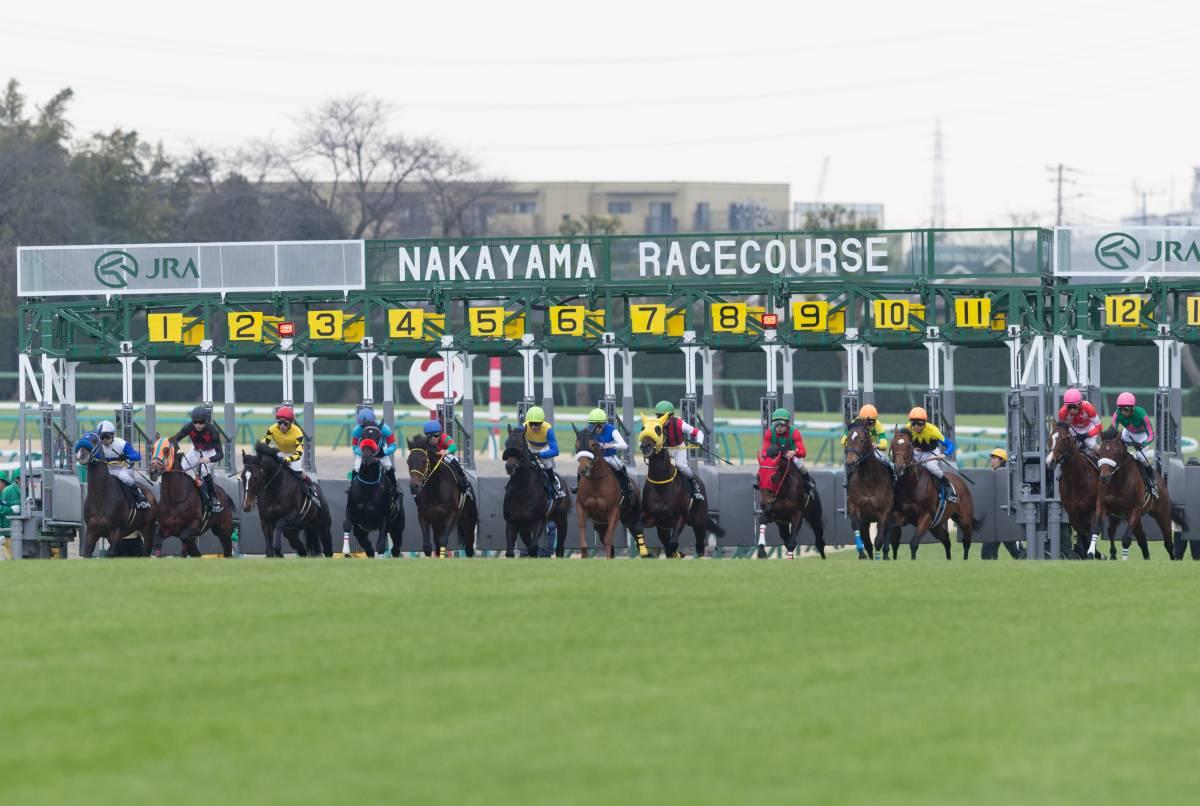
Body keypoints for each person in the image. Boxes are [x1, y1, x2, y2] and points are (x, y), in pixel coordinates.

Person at [76, 421, 151, 509]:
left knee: (124, 478)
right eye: (102, 437)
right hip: (107, 470)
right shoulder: (98, 446)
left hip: (121, 469)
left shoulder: (121, 444)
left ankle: (139, 496)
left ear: (113, 435)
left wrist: (127, 456)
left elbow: (137, 456)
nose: (104, 440)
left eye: (107, 437)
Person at [259, 406, 321, 505]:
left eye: (285, 423)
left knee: (297, 471)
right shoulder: (272, 429)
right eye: (279, 423)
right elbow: (264, 442)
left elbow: (299, 453)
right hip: (281, 452)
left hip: (294, 454)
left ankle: (311, 488)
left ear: (291, 423)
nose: (282, 426)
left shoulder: (298, 432)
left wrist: (287, 459)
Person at [167, 405, 224, 513]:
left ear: (206, 421)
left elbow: (221, 454)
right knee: (181, 468)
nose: (197, 425)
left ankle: (213, 498)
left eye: (201, 422)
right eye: (195, 422)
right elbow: (176, 439)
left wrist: (209, 459)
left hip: (209, 452)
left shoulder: (213, 431)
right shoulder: (189, 427)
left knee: (203, 471)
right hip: (195, 451)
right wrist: (169, 445)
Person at [655, 400, 706, 501]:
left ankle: (694, 484)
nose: (660, 419)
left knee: (680, 466)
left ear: (670, 417)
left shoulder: (679, 423)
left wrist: (699, 442)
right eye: (658, 416)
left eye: (663, 417)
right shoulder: (655, 424)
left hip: (679, 448)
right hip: (664, 449)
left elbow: (699, 432)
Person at [758, 408, 816, 496]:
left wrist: (794, 453)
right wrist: (773, 453)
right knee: (764, 465)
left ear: (788, 423)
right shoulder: (769, 432)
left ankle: (808, 482)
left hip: (792, 455)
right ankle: (758, 480)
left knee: (800, 465)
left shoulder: (795, 432)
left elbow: (803, 452)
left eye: (782, 424)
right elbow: (764, 452)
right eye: (776, 425)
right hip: (776, 456)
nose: (779, 427)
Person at [906, 406, 958, 504]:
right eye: (913, 423)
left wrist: (945, 454)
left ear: (924, 423)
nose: (916, 426)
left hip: (932, 453)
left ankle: (949, 488)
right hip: (917, 453)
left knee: (931, 467)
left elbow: (950, 445)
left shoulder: (933, 431)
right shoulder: (907, 428)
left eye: (919, 424)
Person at [1110, 392, 1157, 498]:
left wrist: (1143, 443)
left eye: (1125, 409)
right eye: (1120, 409)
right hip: (1127, 433)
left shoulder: (1141, 414)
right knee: (1117, 452)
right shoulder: (1117, 414)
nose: (1123, 412)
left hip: (1142, 436)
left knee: (1140, 456)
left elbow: (1151, 434)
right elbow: (1112, 430)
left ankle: (1151, 474)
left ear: (1132, 408)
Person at [981, 448, 1024, 560]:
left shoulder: (1010, 476)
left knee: (1018, 553)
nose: (992, 461)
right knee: (987, 554)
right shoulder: (991, 475)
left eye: (995, 458)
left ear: (1002, 461)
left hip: (1007, 521)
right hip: (993, 523)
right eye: (992, 458)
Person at [582, 408, 632, 499]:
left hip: (609, 457)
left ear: (604, 424)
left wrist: (610, 445)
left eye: (599, 426)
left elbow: (625, 445)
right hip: (593, 458)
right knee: (581, 468)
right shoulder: (587, 430)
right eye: (593, 425)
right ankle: (579, 487)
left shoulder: (611, 429)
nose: (596, 429)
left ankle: (627, 487)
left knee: (620, 467)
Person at [420, 419, 473, 498]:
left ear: (440, 434)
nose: (433, 438)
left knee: (452, 459)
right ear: (426, 436)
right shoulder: (424, 441)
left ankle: (464, 482)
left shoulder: (445, 437)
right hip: (432, 458)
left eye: (436, 435)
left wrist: (446, 451)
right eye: (430, 436)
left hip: (445, 456)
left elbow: (453, 447)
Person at [521, 406, 564, 499]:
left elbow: (555, 451)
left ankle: (554, 483)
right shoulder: (524, 427)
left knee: (546, 461)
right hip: (531, 447)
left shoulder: (548, 429)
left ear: (542, 422)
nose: (533, 427)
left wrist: (540, 454)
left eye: (537, 424)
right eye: (531, 424)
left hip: (544, 447)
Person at [351, 408, 399, 490]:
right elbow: (355, 447)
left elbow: (393, 445)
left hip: (380, 448)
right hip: (364, 450)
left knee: (387, 466)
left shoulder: (385, 429)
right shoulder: (357, 430)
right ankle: (351, 488)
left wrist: (384, 452)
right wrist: (362, 453)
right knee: (357, 467)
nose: (363, 427)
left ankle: (395, 488)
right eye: (362, 426)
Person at [840, 403, 894, 477]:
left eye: (871, 422)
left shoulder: (878, 425)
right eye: (865, 421)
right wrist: (853, 445)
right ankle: (848, 483)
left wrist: (876, 445)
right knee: (849, 463)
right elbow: (843, 441)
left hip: (872, 450)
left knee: (886, 462)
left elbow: (884, 445)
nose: (868, 425)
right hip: (858, 450)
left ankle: (892, 480)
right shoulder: (854, 424)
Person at [1057, 388, 1102, 452]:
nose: (1072, 410)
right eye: (1069, 407)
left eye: (1074, 407)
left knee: (1093, 446)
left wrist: (1087, 435)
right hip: (1073, 428)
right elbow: (1062, 429)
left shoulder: (1089, 408)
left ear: (1080, 404)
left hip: (1088, 428)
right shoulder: (1062, 412)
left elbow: (1099, 427)